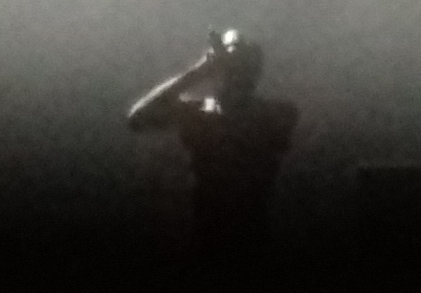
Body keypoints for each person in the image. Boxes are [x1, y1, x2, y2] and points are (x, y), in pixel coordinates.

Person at [127, 30, 299, 256]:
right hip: (205, 233)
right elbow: (138, 119)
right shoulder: (199, 112)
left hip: (250, 234)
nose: (234, 68)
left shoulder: (277, 113)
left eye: (241, 61)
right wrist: (201, 68)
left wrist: (210, 67)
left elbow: (239, 125)